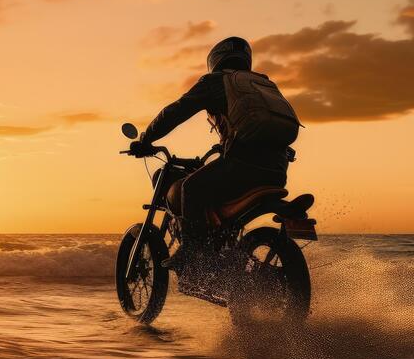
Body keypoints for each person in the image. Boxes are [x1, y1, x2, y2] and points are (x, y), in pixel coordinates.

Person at [128, 36, 301, 271]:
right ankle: (226, 259)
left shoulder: (217, 81)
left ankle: (193, 253)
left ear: (216, 60)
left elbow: (176, 111)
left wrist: (145, 139)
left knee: (190, 188)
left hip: (240, 166)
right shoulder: (263, 85)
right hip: (276, 170)